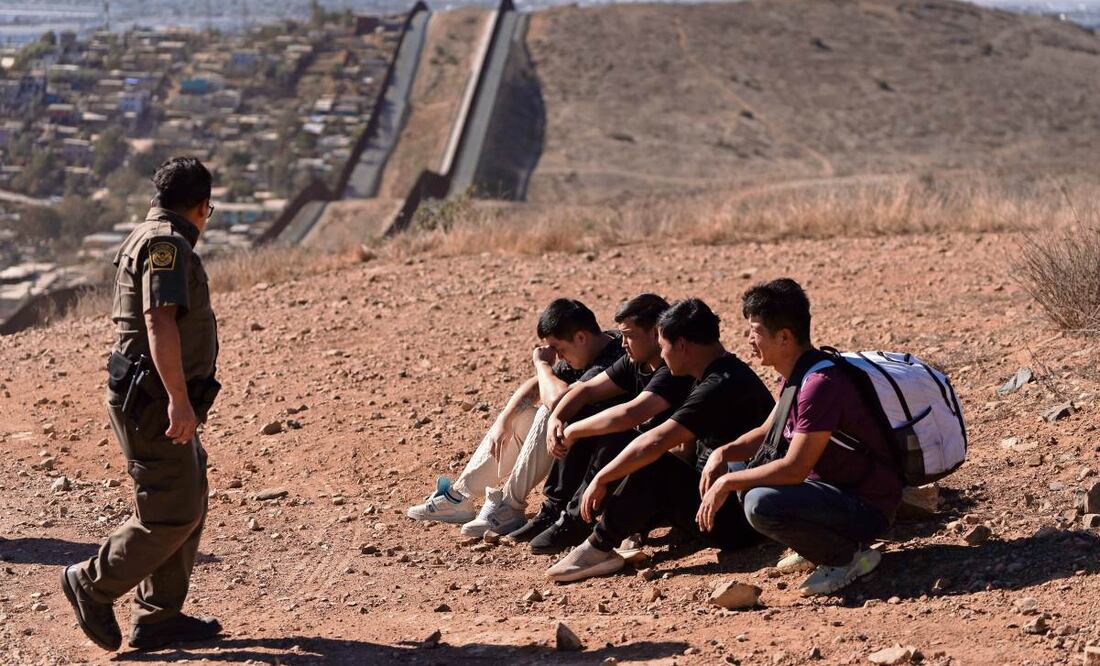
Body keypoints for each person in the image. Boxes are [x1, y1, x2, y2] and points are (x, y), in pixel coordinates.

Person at [61, 157, 223, 651]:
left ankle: (158, 617)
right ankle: (91, 583)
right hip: (154, 398)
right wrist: (178, 400)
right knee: (169, 510)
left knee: (187, 495)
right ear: (200, 207)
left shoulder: (150, 233)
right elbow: (158, 321)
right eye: (209, 211)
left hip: (158, 394)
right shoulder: (165, 244)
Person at [697, 278, 903, 596]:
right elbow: (767, 432)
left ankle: (848, 557)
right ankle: (817, 544)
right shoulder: (799, 373)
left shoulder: (820, 384)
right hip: (830, 492)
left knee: (758, 502)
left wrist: (727, 483)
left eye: (755, 331)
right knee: (738, 469)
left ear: (784, 337)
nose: (748, 338)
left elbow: (794, 468)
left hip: (866, 507)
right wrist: (722, 454)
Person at [546, 298, 774, 583]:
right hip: (720, 501)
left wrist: (602, 479)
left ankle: (599, 546)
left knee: (652, 465)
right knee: (644, 458)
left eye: (664, 346)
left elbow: (658, 441)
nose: (662, 357)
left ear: (682, 345)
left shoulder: (720, 385)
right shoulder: (717, 373)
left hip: (738, 521)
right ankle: (617, 528)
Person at [406, 298, 625, 539]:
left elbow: (560, 402)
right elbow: (534, 386)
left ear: (581, 337)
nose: (559, 358)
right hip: (569, 447)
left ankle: (510, 506)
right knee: (520, 417)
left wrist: (542, 365)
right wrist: (504, 420)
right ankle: (460, 497)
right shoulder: (585, 350)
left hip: (599, 454)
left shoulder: (614, 355)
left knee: (547, 411)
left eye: (560, 349)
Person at [517, 293, 695, 555]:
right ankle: (558, 507)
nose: (622, 343)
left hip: (677, 474)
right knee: (584, 414)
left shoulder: (673, 370)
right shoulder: (636, 361)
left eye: (629, 335)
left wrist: (573, 430)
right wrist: (559, 417)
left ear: (655, 333)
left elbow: (630, 414)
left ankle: (579, 520)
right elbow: (586, 391)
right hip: (651, 465)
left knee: (616, 433)